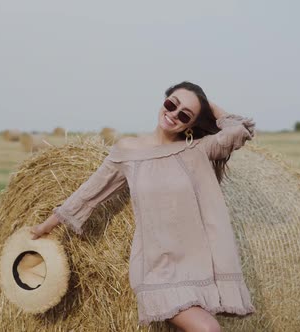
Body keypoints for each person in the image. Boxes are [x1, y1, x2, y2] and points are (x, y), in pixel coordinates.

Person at [30, 81, 256, 332]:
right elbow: (87, 195)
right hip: (158, 266)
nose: (173, 114)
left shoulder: (198, 150)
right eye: (172, 103)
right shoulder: (128, 150)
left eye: (184, 115)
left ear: (191, 125)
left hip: (198, 265)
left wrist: (206, 102)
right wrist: (43, 228)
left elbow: (239, 130)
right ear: (164, 99)